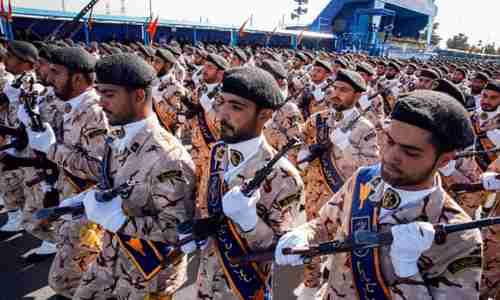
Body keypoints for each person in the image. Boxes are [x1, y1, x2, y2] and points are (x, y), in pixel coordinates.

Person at [276, 90, 483, 299]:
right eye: (390, 141)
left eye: (410, 152)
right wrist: (303, 235)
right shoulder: (364, 178)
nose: (391, 156)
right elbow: (325, 224)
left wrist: (408, 272)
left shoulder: (460, 237)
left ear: (444, 160)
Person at [71, 53, 196, 300]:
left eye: (109, 94)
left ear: (139, 96)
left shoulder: (169, 157)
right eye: (99, 94)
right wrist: (87, 200)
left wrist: (119, 220)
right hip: (111, 258)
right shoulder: (117, 136)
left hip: (146, 275)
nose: (100, 103)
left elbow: (179, 231)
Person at [191, 67, 304, 299]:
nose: (221, 114)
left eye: (236, 107)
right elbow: (206, 206)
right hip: (206, 283)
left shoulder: (285, 177)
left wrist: (250, 223)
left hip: (243, 288)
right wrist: (199, 228)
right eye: (221, 102)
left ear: (264, 115)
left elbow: (281, 251)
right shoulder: (218, 152)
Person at [25, 46, 108, 298]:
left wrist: (52, 149)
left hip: (87, 205)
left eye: (56, 73)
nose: (49, 78)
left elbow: (100, 168)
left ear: (78, 78)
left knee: (64, 281)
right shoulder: (70, 106)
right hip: (69, 198)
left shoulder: (94, 111)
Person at [294, 69, 380, 299]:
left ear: (357, 95)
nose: (336, 94)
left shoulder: (365, 128)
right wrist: (303, 154)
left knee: (341, 252)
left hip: (345, 198)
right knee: (311, 244)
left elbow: (372, 167)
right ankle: (309, 286)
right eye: (336, 88)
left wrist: (344, 145)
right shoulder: (318, 119)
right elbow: (299, 139)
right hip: (314, 193)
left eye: (344, 90)